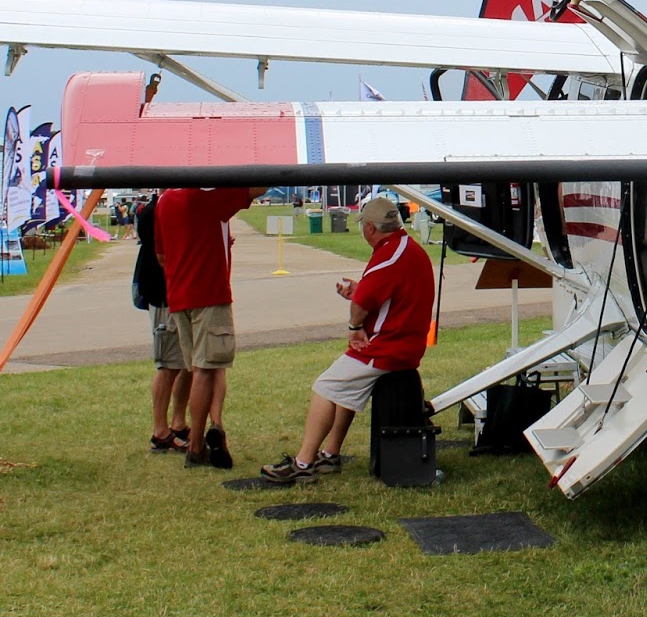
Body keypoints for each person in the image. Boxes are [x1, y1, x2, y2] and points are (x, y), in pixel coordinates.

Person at [261, 195, 434, 482]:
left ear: (370, 228)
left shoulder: (388, 255)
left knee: (326, 386)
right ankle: (330, 453)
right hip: (405, 342)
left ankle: (303, 463)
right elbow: (387, 292)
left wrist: (355, 327)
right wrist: (362, 290)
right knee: (344, 389)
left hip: (388, 346)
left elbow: (364, 302)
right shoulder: (405, 248)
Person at [153, 185, 267, 469]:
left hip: (179, 297)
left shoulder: (165, 200)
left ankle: (216, 424)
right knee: (208, 367)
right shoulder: (207, 195)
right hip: (210, 294)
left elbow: (162, 256)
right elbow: (257, 187)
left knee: (202, 366)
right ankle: (196, 446)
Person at [135, 194, 192, 453]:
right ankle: (160, 431)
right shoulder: (153, 212)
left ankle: (178, 423)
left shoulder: (172, 206)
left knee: (188, 364)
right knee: (168, 364)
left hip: (183, 292)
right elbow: (164, 253)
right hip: (164, 294)